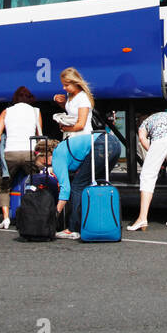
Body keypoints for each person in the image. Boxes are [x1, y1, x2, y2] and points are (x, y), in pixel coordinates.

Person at [51, 68, 121, 238]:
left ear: (75, 82)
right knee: (95, 183)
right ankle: (96, 222)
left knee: (77, 185)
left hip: (89, 143)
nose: (64, 88)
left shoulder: (82, 97)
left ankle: (73, 228)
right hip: (100, 143)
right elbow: (72, 113)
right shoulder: (72, 96)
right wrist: (61, 103)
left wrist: (63, 127)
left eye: (67, 85)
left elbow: (81, 124)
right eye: (63, 85)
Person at [127, 109, 167, 231]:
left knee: (147, 175)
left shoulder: (144, 122)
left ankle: (142, 218)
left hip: (163, 137)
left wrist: (156, 155)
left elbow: (142, 138)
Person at [0, 86, 44, 229]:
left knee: (4, 186)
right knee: (36, 183)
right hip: (29, 152)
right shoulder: (35, 111)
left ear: (15, 98)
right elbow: (39, 134)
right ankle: (35, 214)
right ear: (30, 98)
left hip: (11, 152)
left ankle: (6, 218)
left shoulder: (6, 111)